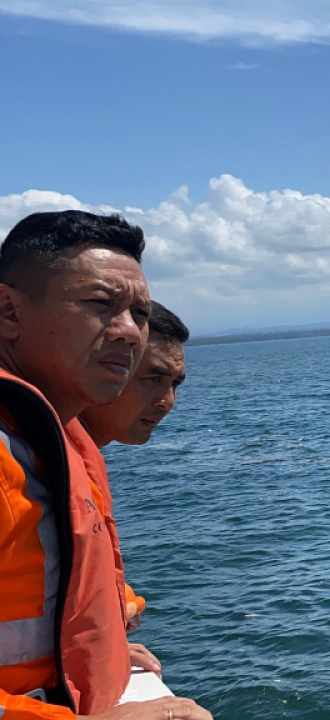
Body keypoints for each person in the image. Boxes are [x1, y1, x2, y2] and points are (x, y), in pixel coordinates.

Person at [0, 210, 212, 720]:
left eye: (138, 313)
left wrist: (102, 653)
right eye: (99, 304)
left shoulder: (59, 437)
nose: (127, 332)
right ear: (8, 312)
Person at [79, 301, 189, 632]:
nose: (167, 400)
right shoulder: (28, 461)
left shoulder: (78, 459)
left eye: (174, 384)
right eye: (153, 378)